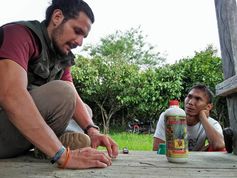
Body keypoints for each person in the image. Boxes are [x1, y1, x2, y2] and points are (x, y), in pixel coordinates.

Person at [0, 0, 118, 169]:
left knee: (84, 110)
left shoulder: (62, 55)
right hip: (4, 129)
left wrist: (92, 130)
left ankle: (55, 142)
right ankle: (56, 145)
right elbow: (11, 96)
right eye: (77, 31)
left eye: (83, 37)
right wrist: (64, 157)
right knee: (62, 93)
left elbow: (73, 96)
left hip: (20, 131)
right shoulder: (19, 35)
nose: (80, 42)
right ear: (57, 17)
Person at [153, 84, 225, 151]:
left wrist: (203, 118)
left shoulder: (212, 123)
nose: (190, 102)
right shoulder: (168, 116)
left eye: (198, 99)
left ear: (208, 107)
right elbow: (157, 149)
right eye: (189, 97)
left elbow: (219, 145)